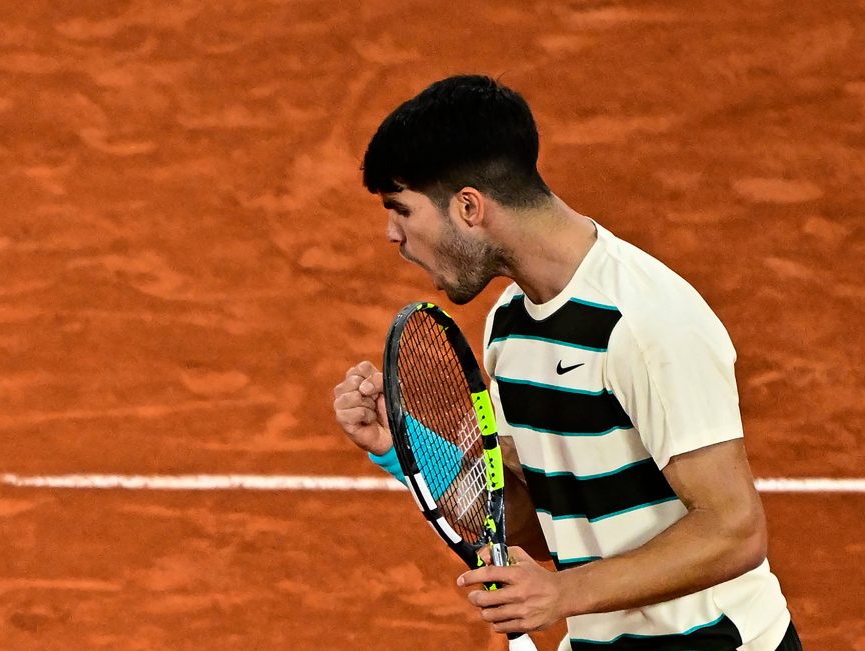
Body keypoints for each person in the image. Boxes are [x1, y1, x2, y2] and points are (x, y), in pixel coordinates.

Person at [332, 75, 803, 650]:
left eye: (402, 210)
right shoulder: (510, 323)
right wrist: (408, 448)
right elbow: (530, 522)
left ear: (469, 206)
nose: (391, 235)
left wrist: (561, 596)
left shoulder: (644, 321)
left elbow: (735, 530)